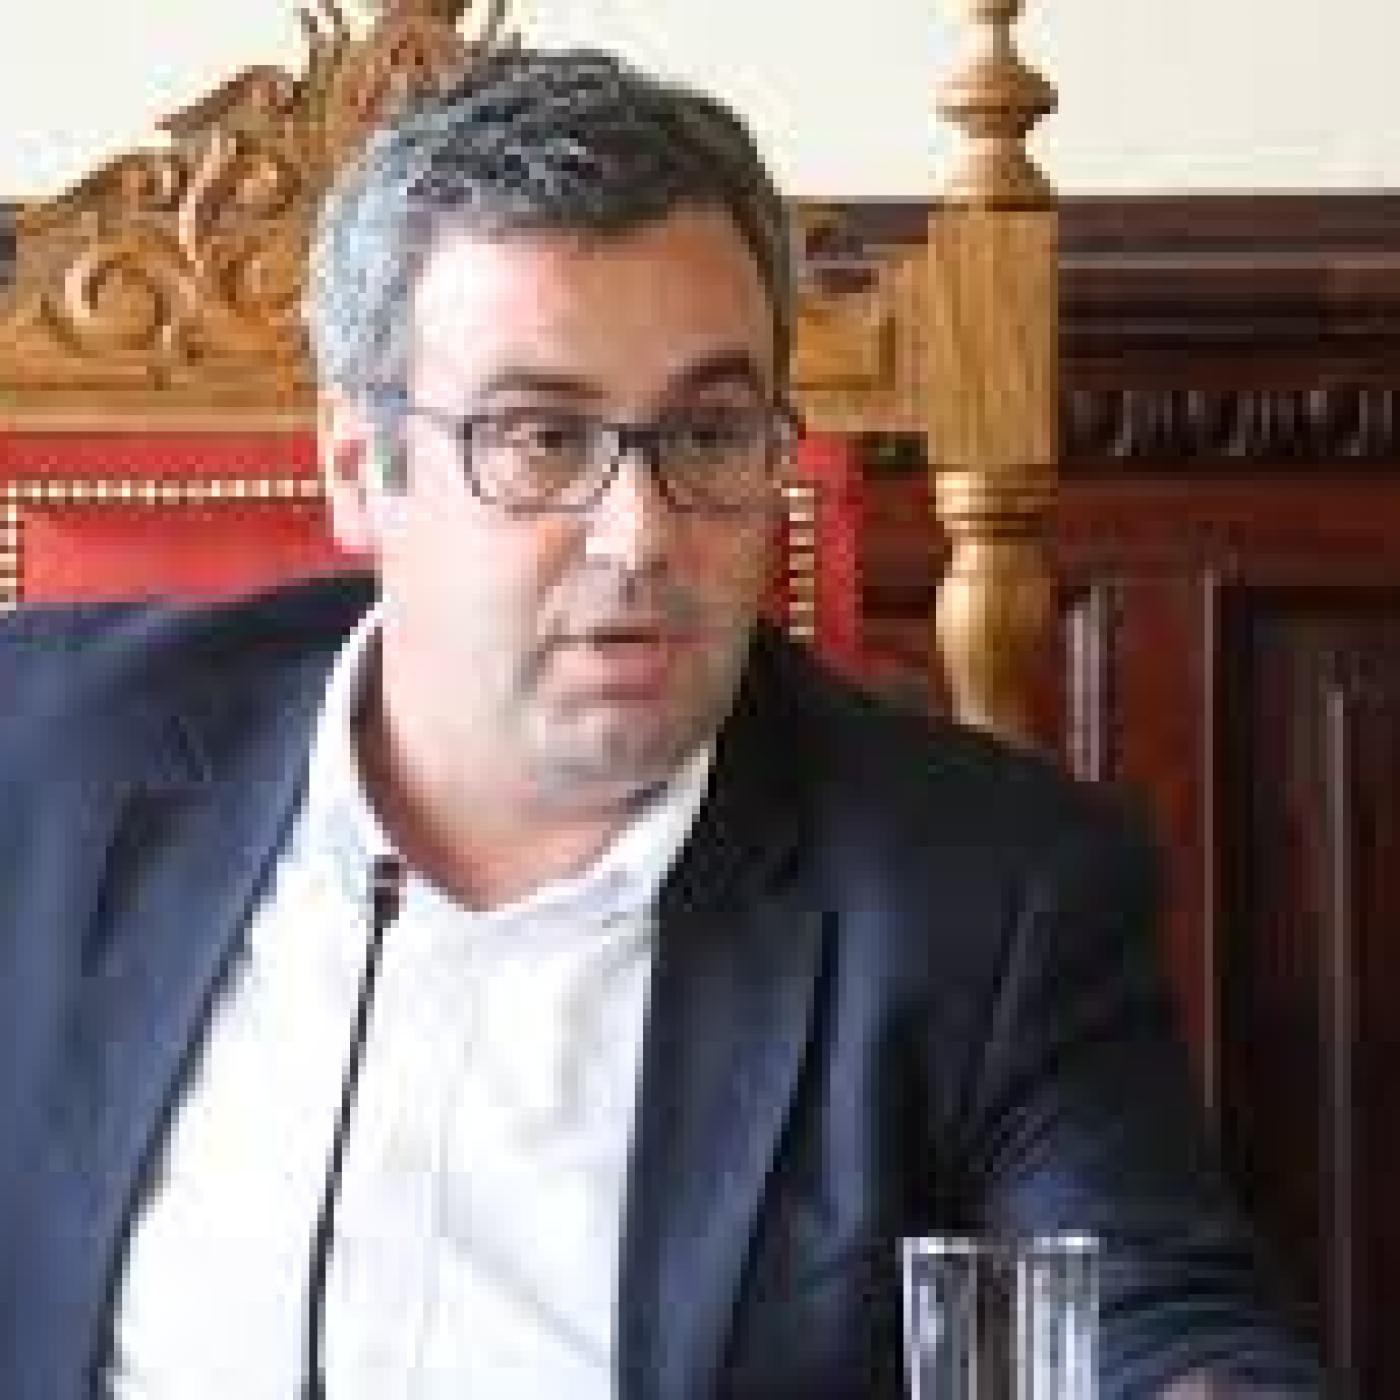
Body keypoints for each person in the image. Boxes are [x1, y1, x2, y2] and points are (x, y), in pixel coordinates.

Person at [0, 47, 1321, 1400]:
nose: (639, 535)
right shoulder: (37, 764)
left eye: (706, 437)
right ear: (357, 467)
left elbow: (1152, 1327)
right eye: (541, 438)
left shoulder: (983, 897)